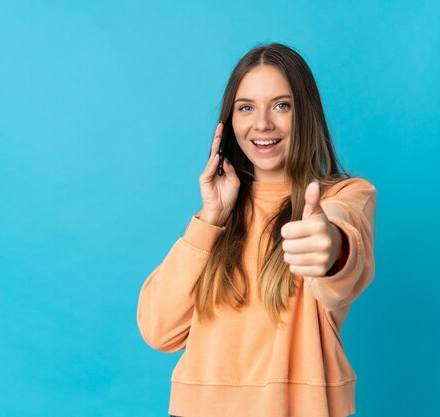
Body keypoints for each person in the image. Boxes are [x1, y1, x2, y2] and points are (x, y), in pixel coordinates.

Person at [137, 42, 377, 417]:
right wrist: (210, 219)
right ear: (229, 122)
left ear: (306, 115)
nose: (262, 124)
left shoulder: (344, 196)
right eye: (246, 107)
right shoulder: (218, 215)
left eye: (282, 106)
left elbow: (344, 245)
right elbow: (158, 330)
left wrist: (329, 246)